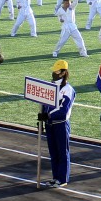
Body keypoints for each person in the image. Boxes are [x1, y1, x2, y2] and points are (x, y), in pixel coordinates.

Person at [38, 59, 76, 188]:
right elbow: (44, 103)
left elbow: (63, 110)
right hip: (49, 124)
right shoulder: (51, 86)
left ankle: (63, 178)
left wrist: (48, 115)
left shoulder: (68, 89)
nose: (54, 73)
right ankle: (55, 177)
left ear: (63, 72)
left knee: (62, 152)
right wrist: (42, 119)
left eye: (56, 71)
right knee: (53, 152)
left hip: (60, 124)